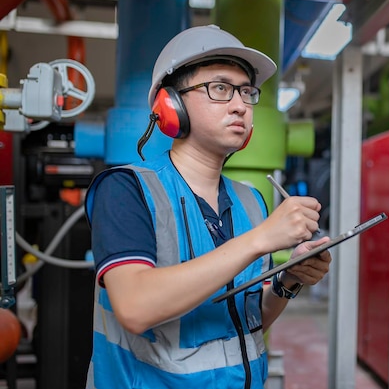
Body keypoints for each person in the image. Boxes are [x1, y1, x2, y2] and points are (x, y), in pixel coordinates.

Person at [83, 24, 332, 389]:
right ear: (171, 104)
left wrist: (287, 280)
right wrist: (261, 239)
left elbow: (244, 322)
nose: (240, 105)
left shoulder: (251, 201)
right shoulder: (126, 189)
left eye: (247, 92)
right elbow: (135, 308)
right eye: (220, 88)